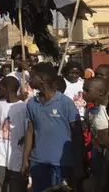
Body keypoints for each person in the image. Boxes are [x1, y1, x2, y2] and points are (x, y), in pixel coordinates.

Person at [21, 63, 85, 192]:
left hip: (63, 164)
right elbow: (29, 131)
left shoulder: (65, 103)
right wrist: (25, 159)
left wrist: (79, 162)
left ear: (42, 79)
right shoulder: (32, 103)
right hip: (38, 162)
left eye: (32, 76)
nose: (29, 80)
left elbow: (78, 134)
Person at [0, 76, 28, 192]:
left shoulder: (23, 107)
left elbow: (28, 131)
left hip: (17, 155)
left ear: (7, 88)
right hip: (2, 154)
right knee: (0, 180)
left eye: (0, 87)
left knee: (16, 183)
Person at [83, 77, 109, 192]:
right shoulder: (90, 110)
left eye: (87, 90)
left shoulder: (105, 111)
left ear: (101, 92)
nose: (83, 93)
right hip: (96, 156)